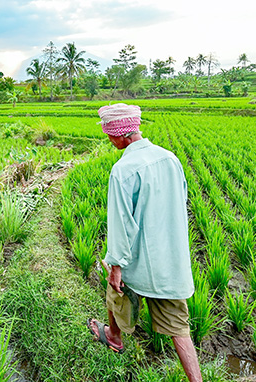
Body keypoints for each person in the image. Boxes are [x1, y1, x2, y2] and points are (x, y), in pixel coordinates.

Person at [87, 103, 202, 382]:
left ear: (119, 136)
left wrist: (116, 265)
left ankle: (114, 336)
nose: (108, 139)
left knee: (114, 286)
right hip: (169, 262)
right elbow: (179, 203)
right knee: (179, 328)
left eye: (109, 135)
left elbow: (121, 223)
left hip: (136, 260)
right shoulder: (169, 158)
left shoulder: (123, 169)